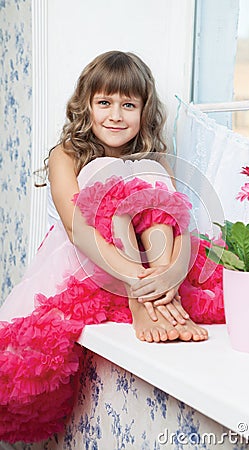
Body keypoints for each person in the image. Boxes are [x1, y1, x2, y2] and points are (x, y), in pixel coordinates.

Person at [0, 51, 224, 443]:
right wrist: (137, 281)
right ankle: (144, 301)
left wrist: (171, 273)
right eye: (104, 103)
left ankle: (156, 299)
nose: (116, 115)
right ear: (86, 106)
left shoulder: (156, 160)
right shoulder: (65, 155)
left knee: (149, 172)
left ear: (144, 110)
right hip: (91, 263)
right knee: (103, 172)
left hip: (150, 267)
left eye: (128, 105)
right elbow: (77, 228)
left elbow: (182, 225)